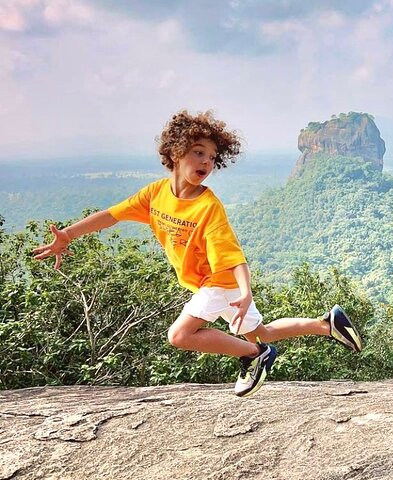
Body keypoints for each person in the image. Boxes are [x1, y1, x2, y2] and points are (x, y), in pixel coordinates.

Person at [32, 110, 363, 397]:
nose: (206, 161)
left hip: (218, 282)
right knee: (262, 330)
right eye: (198, 152)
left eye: (212, 157)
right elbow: (112, 214)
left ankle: (255, 355)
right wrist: (68, 236)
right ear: (176, 153)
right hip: (218, 286)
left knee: (180, 335)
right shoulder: (155, 194)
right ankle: (327, 323)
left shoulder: (209, 207)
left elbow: (233, 256)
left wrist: (246, 293)